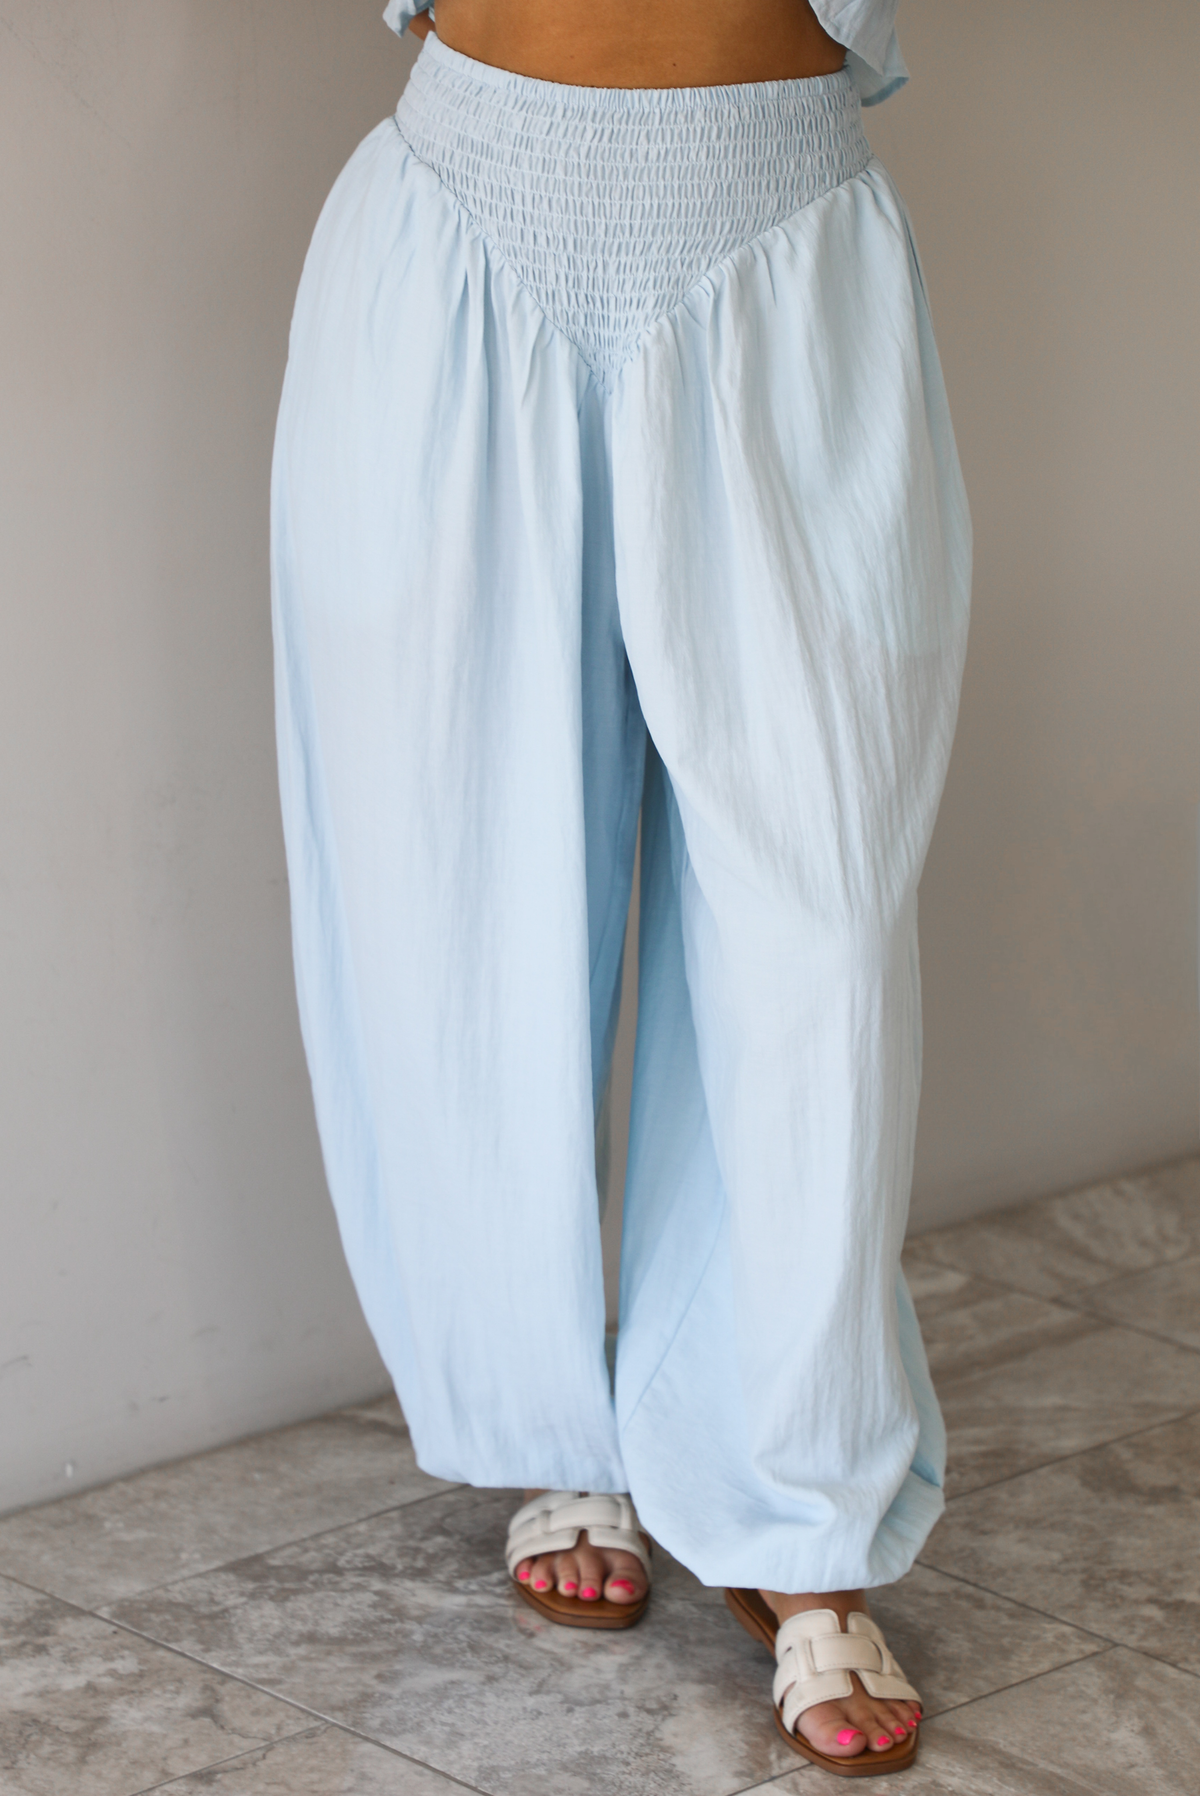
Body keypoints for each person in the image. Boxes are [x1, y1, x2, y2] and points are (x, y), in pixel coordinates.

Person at [271, 0, 970, 1774]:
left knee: (814, 940)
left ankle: (794, 1507)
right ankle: (548, 1425)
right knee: (454, 891)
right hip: (460, 211)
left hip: (780, 227)